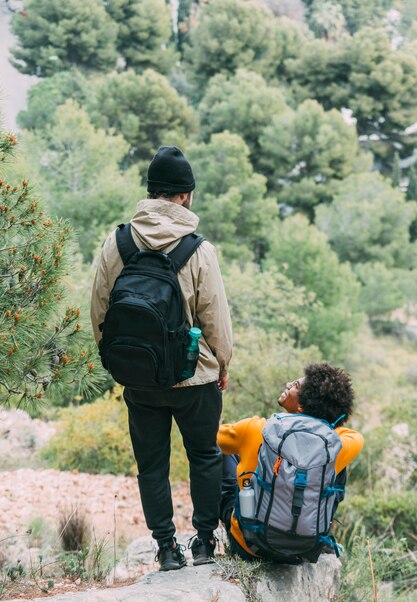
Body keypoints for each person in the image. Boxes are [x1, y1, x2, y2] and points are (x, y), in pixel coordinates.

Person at [91, 146, 233, 571]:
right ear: (186, 196)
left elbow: (100, 310)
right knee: (204, 456)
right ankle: (205, 542)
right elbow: (215, 318)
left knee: (151, 465)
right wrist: (222, 363)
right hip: (195, 378)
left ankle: (167, 549)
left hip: (140, 378)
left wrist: (118, 361)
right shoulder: (198, 249)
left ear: (151, 192)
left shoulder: (116, 242)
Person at [218, 362, 364, 561]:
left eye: (295, 385)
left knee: (223, 453)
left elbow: (207, 438)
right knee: (334, 469)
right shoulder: (339, 444)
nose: (288, 384)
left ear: (301, 405)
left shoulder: (255, 428)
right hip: (305, 550)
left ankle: (205, 538)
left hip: (250, 545)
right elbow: (352, 435)